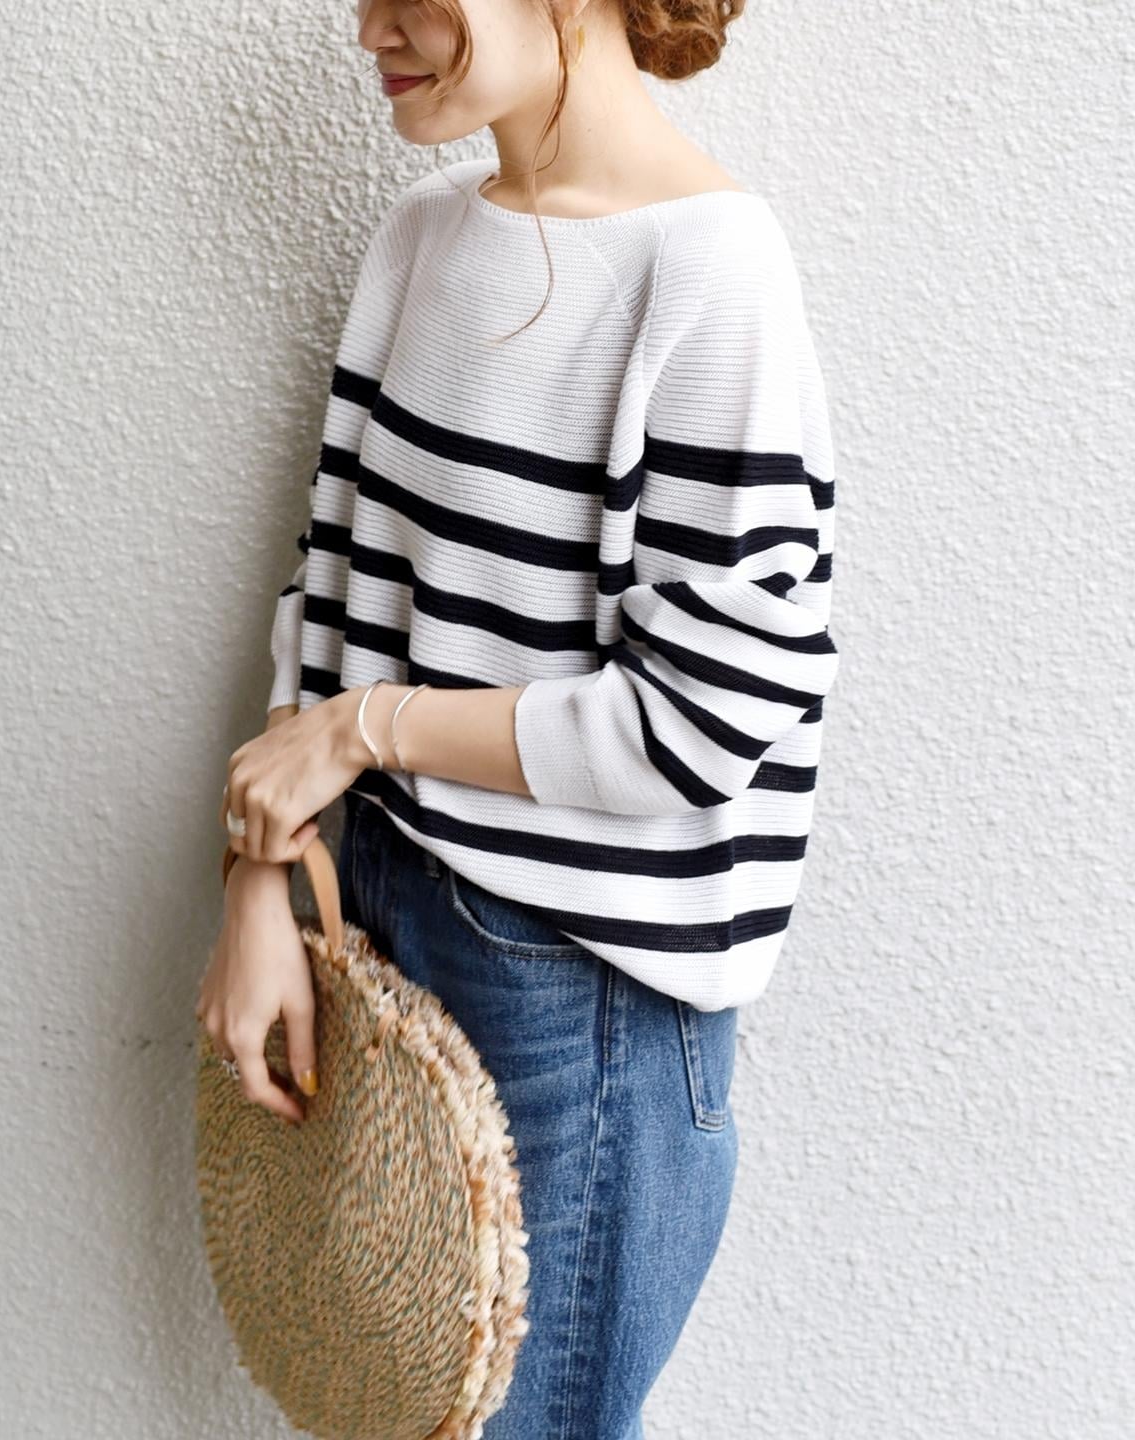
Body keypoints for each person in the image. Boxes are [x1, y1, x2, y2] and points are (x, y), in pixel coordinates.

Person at [196, 1, 840, 1433]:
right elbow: (334, 585)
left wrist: (366, 732)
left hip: (578, 992)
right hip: (375, 907)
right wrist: (264, 880)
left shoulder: (710, 271)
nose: (370, 28)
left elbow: (702, 722)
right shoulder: (423, 236)